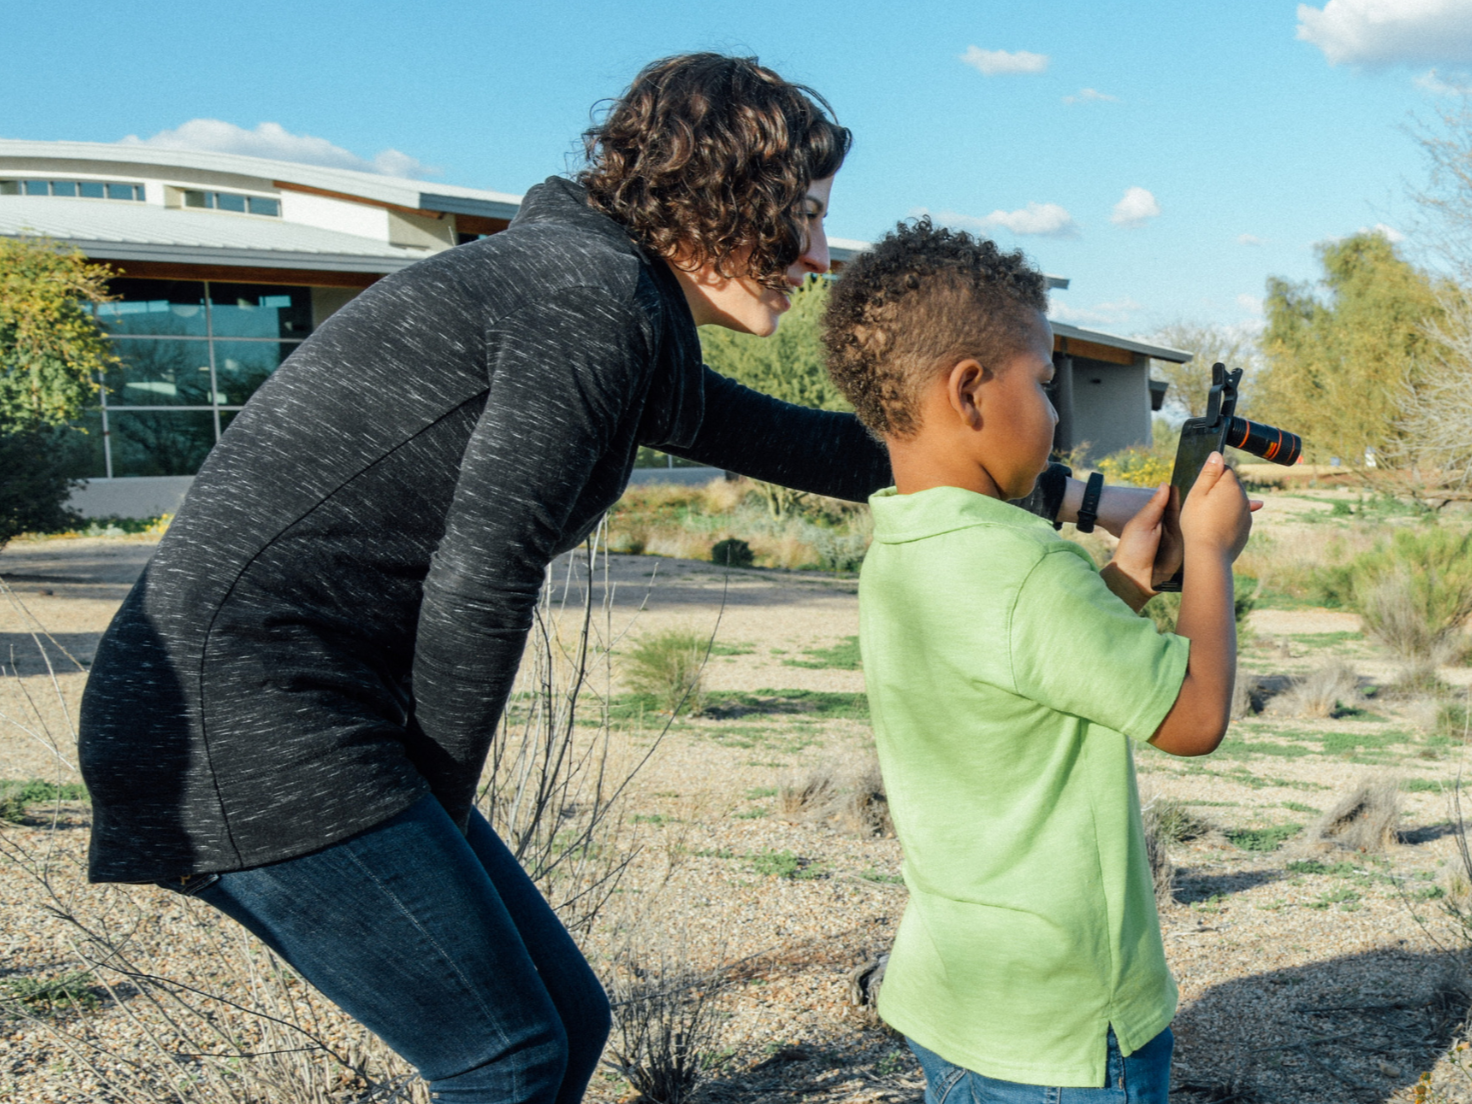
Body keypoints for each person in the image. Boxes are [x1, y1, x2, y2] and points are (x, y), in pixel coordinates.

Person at [79, 55, 1174, 1104]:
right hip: (246, 718)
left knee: (563, 1027)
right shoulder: (584, 298)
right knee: (504, 1056)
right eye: (804, 215)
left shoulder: (609, 299)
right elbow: (483, 574)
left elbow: (817, 447)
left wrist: (1089, 503)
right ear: (722, 197)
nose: (818, 254)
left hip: (299, 713)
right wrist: (445, 814)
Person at [822, 219, 1253, 1103]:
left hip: (958, 1001)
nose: (1057, 414)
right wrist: (1207, 552)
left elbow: (1026, 675)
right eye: (1046, 384)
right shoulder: (1031, 567)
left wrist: (1130, 575)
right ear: (971, 390)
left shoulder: (903, 548)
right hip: (1064, 1034)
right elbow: (1197, 718)